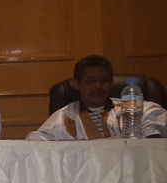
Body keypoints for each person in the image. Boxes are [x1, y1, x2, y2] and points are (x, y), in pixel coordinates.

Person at [26, 55, 167, 140]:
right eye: (90, 81)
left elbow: (157, 119)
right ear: (77, 84)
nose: (98, 86)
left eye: (104, 80)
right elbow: (36, 141)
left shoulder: (131, 107)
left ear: (111, 83)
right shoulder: (65, 116)